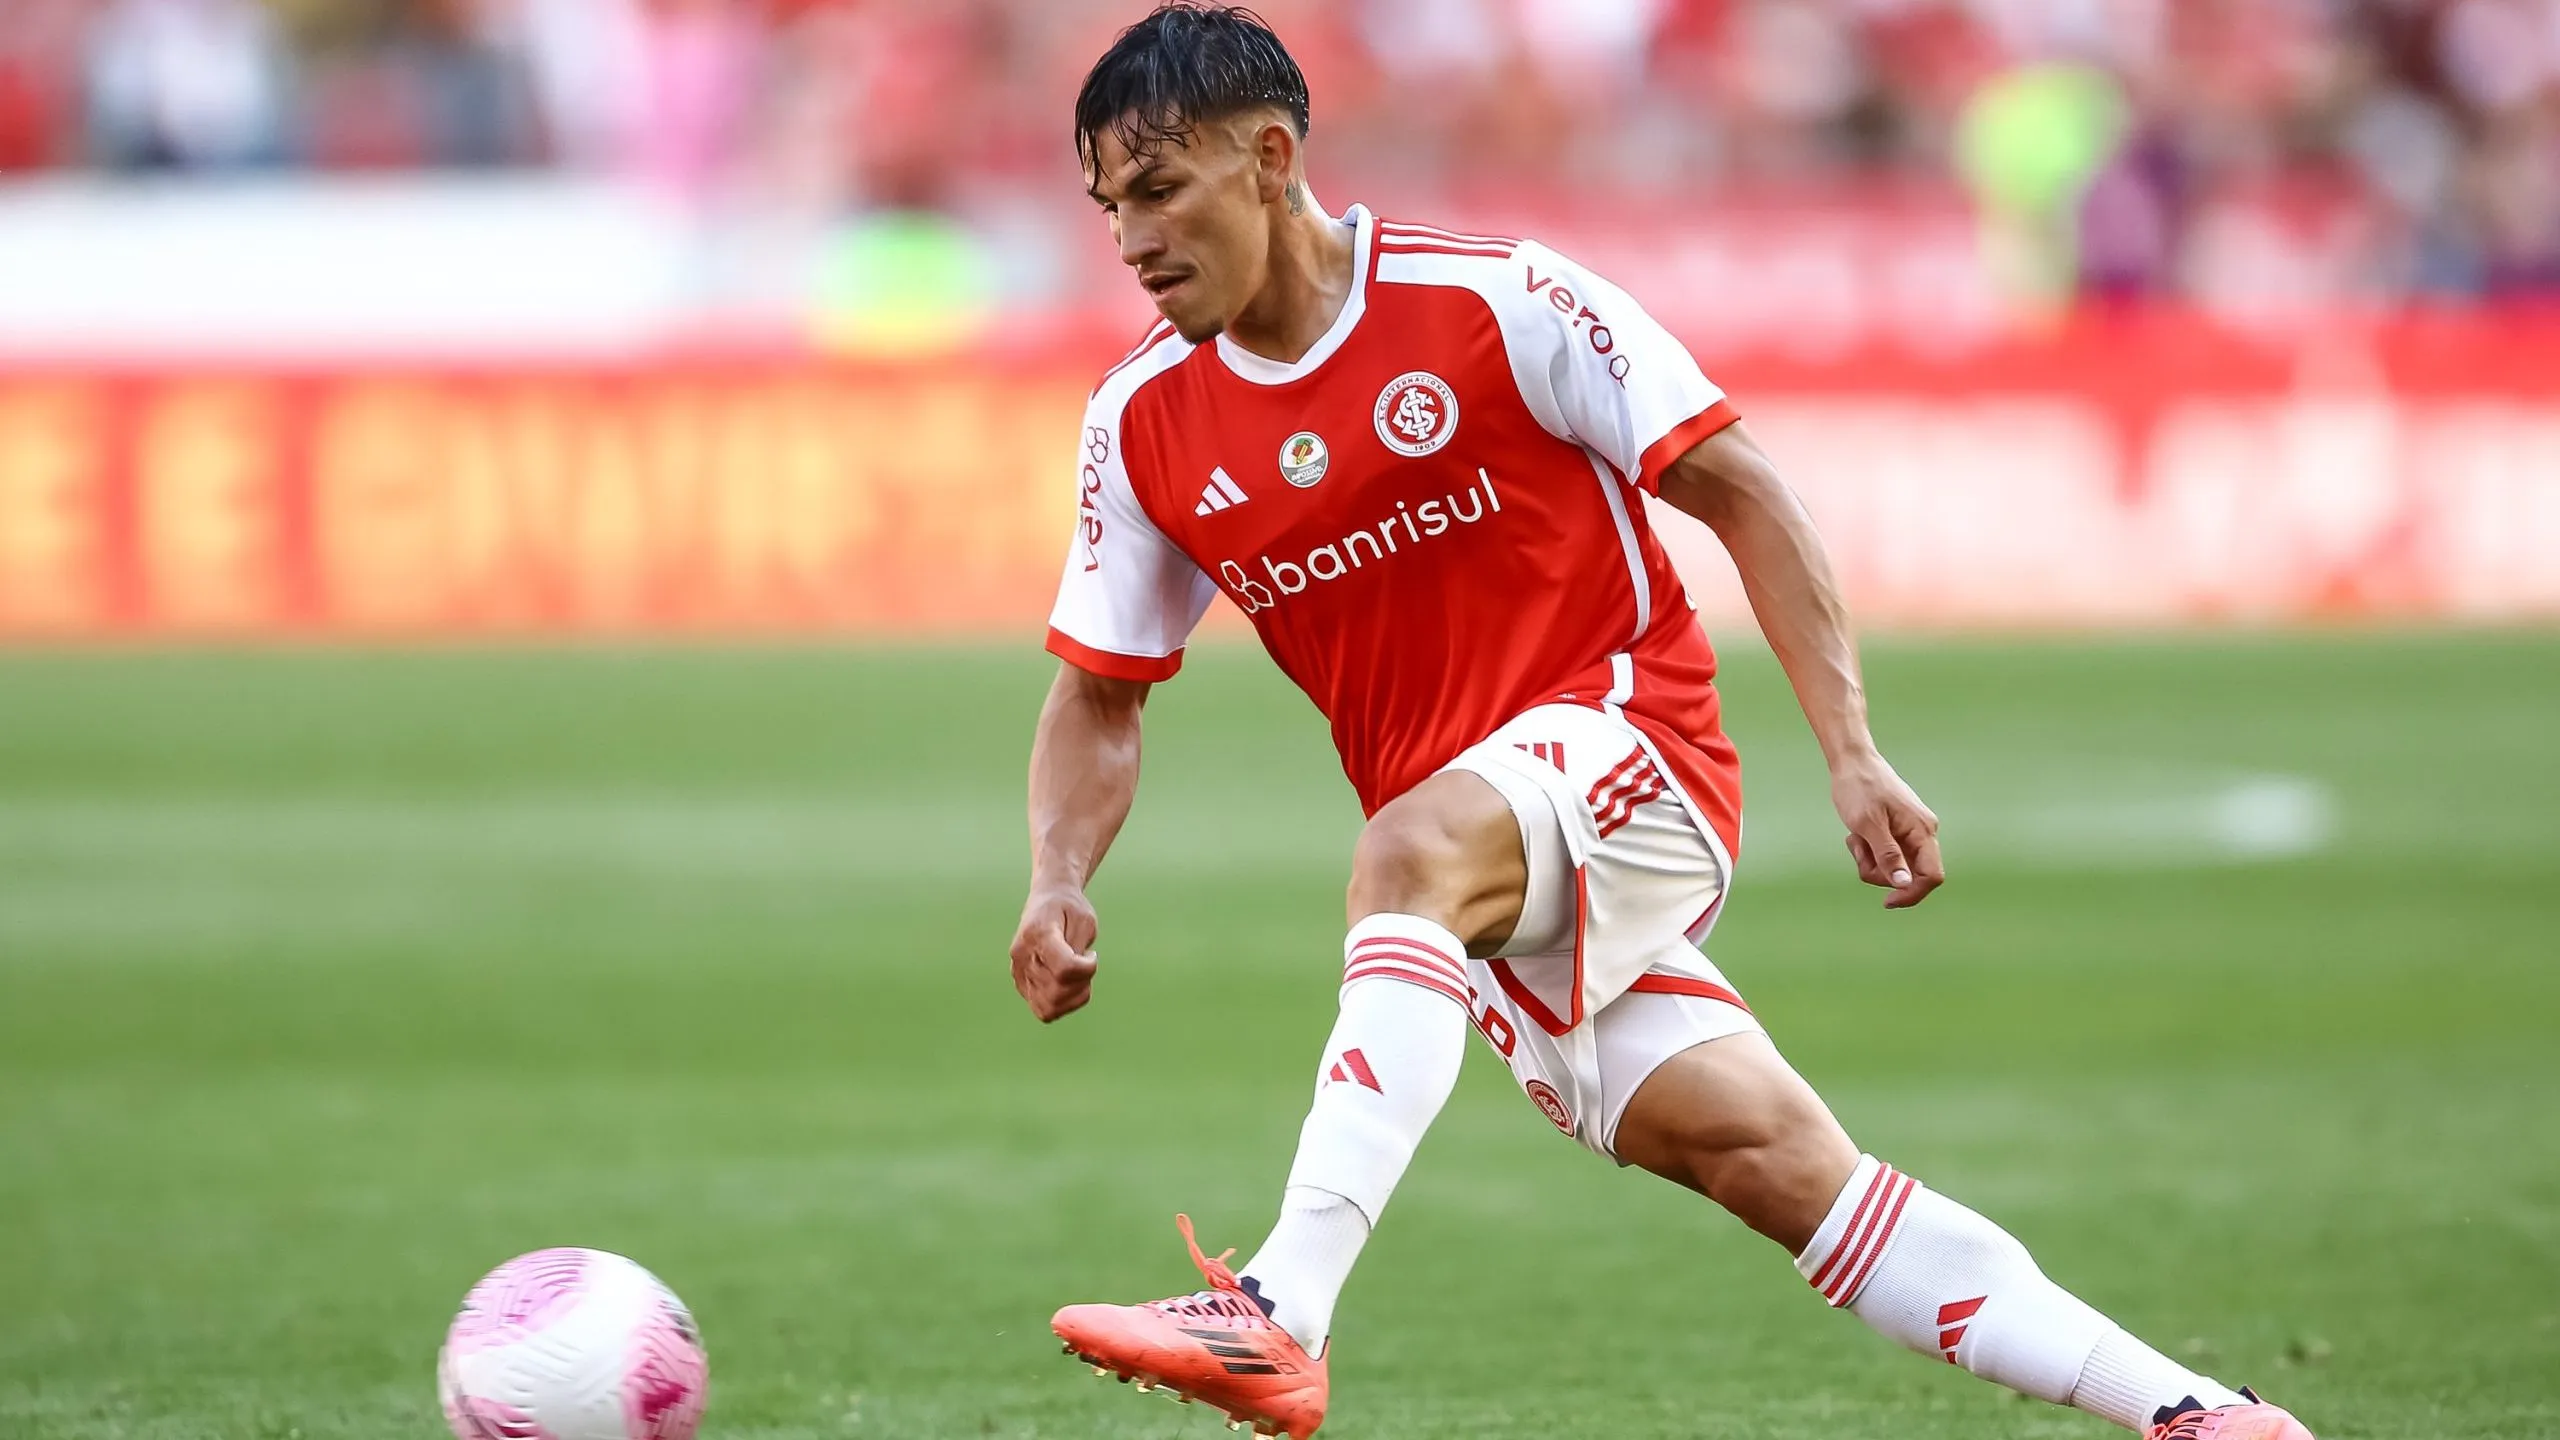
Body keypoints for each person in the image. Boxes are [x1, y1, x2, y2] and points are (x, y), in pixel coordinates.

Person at [1009, 8, 2317, 1440]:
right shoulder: (1142, 423)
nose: (1131, 239)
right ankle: (2199, 1414)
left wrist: (1850, 750)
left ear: (1270, 159)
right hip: (1484, 894)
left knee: (1406, 852)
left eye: (1159, 189)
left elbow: (1741, 487)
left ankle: (1280, 1309)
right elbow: (1100, 694)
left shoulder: (1498, 301)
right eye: (1110, 206)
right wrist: (1059, 877)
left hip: (1632, 749)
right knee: (1785, 1169)